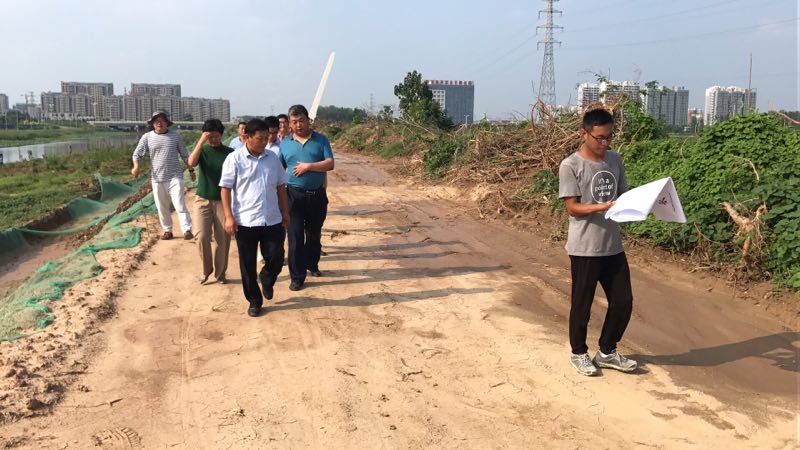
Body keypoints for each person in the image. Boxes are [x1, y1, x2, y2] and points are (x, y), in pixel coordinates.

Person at [558, 108, 637, 376]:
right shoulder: (570, 165)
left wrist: (643, 203)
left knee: (623, 301)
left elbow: (623, 195)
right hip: (585, 248)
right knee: (582, 303)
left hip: (612, 246)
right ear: (584, 134)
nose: (605, 143)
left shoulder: (615, 160)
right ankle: (578, 353)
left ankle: (607, 352)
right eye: (600, 138)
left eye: (609, 137)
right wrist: (601, 207)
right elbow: (572, 208)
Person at [220, 118, 289, 317]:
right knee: (247, 265)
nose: (264, 142)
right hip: (245, 221)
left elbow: (281, 186)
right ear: (247, 137)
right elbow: (225, 188)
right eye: (260, 139)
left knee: (276, 257)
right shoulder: (234, 159)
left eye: (266, 138)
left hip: (271, 218)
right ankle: (254, 300)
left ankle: (267, 278)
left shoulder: (272, 158)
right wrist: (229, 217)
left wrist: (285, 212)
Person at [279, 104, 334, 291]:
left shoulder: (321, 140)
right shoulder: (285, 144)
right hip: (293, 196)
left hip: (316, 195)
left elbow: (330, 163)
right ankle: (297, 276)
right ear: (289, 124)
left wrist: (309, 167)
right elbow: (278, 168)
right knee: (294, 236)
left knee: (313, 234)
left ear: (308, 120)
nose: (298, 125)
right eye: (294, 122)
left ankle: (312, 263)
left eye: (301, 120)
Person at [131, 110, 193, 240]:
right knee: (162, 207)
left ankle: (187, 229)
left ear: (167, 122)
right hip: (157, 178)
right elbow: (137, 154)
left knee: (179, 204)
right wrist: (136, 167)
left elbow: (185, 155)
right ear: (153, 123)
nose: (159, 123)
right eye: (156, 121)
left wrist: (191, 170)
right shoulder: (147, 137)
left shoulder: (175, 136)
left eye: (162, 120)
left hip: (175, 176)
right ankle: (167, 230)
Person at [188, 119, 234, 285]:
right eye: (210, 136)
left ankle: (220, 273)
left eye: (216, 136)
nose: (213, 139)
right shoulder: (203, 150)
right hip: (202, 199)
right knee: (201, 235)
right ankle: (206, 269)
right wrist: (201, 141)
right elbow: (191, 163)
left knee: (222, 239)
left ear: (221, 135)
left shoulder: (230, 153)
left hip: (223, 201)